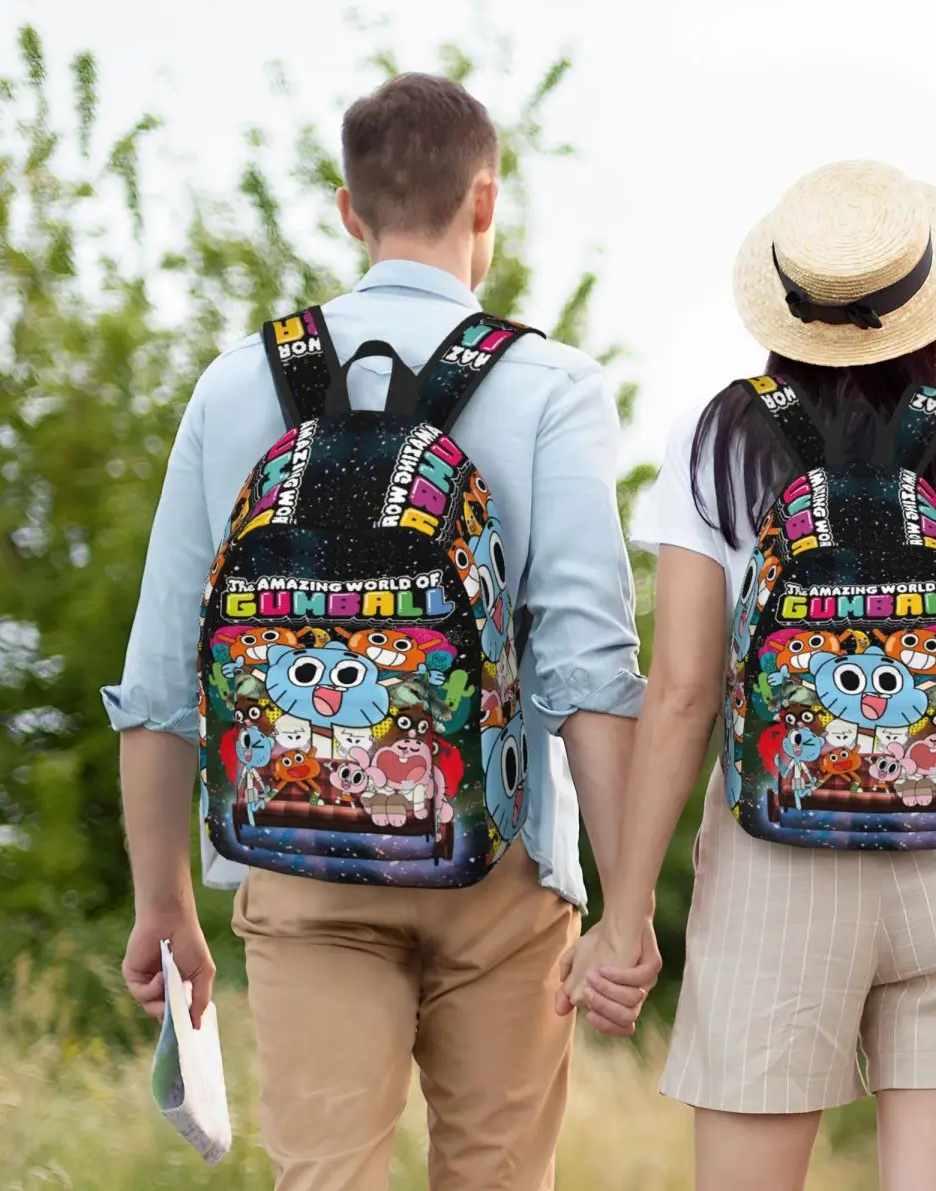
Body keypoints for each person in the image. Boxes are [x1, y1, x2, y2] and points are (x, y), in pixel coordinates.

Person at [105, 72, 661, 1191]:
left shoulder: (234, 385)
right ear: (486, 204)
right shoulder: (551, 386)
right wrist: (627, 906)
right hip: (501, 867)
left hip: (296, 859)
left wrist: (162, 902)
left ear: (349, 210)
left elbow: (164, 672)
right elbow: (588, 669)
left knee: (325, 1177)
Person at [560, 160, 936, 1191]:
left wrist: (624, 918)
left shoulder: (718, 442)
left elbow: (682, 696)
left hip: (773, 876)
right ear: (925, 308)